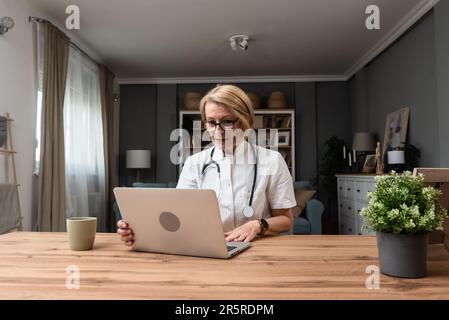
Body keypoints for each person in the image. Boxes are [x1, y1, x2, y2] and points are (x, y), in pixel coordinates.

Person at [117, 84, 296, 245]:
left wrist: (258, 225)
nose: (217, 131)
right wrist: (138, 231)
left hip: (257, 248)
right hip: (208, 248)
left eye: (227, 121)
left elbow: (285, 219)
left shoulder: (271, 160)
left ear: (245, 120)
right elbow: (178, 216)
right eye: (211, 122)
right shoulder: (194, 163)